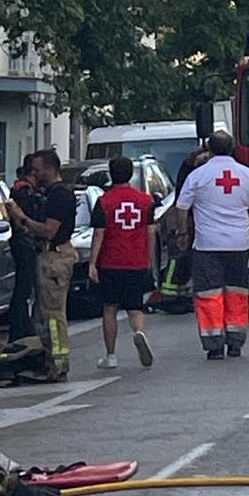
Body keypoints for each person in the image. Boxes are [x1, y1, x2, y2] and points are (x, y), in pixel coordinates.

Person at [176, 131, 249, 360]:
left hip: (207, 244)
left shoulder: (198, 175)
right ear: (231, 149)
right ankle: (235, 342)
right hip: (239, 243)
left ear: (209, 149)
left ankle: (214, 344)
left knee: (209, 294)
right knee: (237, 292)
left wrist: (182, 233)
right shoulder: (248, 175)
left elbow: (181, 207)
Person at [6, 149, 76, 382]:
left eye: (37, 169)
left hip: (55, 259)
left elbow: (49, 230)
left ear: (50, 168)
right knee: (43, 315)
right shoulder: (50, 192)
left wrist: (22, 216)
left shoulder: (59, 194)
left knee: (53, 315)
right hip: (47, 256)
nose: (34, 174)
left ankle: (57, 365)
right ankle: (49, 362)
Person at [89, 156, 155, 370]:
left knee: (109, 308)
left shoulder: (104, 201)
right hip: (137, 262)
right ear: (131, 174)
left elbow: (99, 234)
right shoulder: (145, 201)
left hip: (110, 262)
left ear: (111, 174)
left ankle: (111, 355)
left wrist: (92, 263)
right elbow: (151, 232)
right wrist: (149, 260)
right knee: (135, 307)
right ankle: (139, 332)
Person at [157, 145, 209, 307]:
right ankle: (171, 293)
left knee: (185, 259)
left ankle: (177, 292)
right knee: (179, 258)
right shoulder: (192, 174)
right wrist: (182, 231)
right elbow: (182, 203)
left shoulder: (188, 170)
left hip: (191, 220)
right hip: (188, 220)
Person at [7, 156, 43, 342]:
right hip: (24, 243)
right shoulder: (24, 191)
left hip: (22, 242)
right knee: (24, 289)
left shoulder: (20, 189)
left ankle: (22, 328)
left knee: (24, 289)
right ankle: (21, 330)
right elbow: (23, 219)